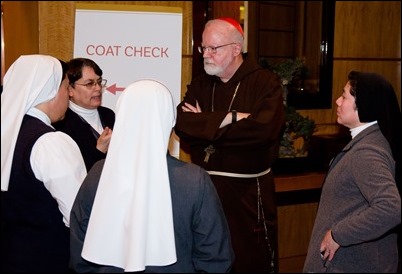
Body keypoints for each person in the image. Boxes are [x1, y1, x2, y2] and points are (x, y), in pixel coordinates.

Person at [69, 79, 234, 273]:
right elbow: (215, 258)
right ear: (170, 121)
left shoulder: (97, 173)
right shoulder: (193, 180)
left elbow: (80, 252)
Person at [174, 17, 285, 273]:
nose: (206, 55)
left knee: (248, 260)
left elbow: (262, 131)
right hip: (204, 187)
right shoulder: (202, 83)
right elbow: (182, 123)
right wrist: (232, 118)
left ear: (236, 49)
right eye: (204, 48)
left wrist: (205, 127)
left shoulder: (265, 83)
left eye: (214, 48)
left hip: (246, 191)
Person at [303, 71, 401, 273]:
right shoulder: (367, 142)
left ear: (363, 105)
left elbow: (390, 208)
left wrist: (338, 234)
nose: (338, 101)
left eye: (345, 96)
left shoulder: (367, 152)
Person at [1, 54, 87, 272]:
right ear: (49, 89)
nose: (68, 94)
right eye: (67, 86)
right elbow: (78, 214)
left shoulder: (9, 134)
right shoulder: (50, 142)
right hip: (47, 259)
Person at [53, 57, 114, 171]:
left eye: (99, 82)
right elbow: (69, 172)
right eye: (89, 84)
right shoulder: (61, 124)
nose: (98, 88)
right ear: (70, 89)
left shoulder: (109, 115)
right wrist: (99, 150)